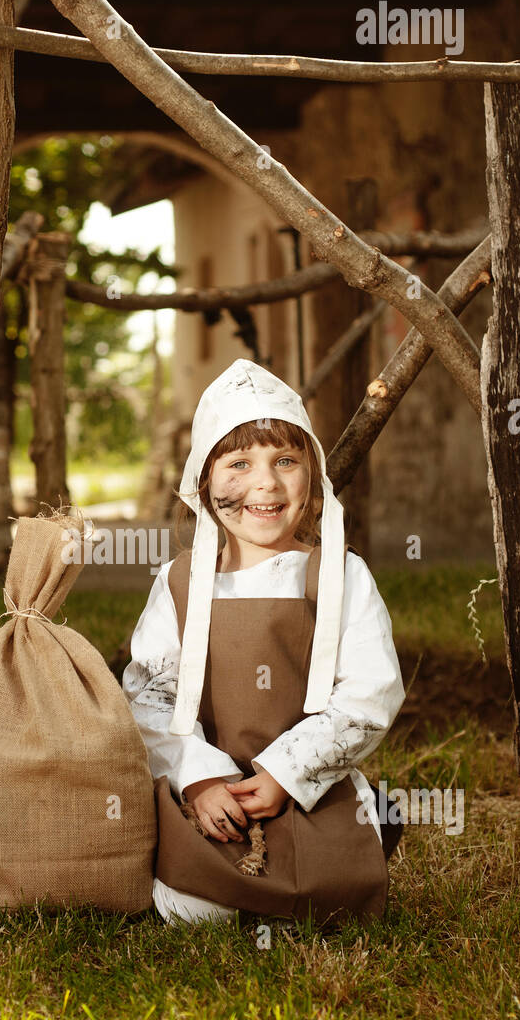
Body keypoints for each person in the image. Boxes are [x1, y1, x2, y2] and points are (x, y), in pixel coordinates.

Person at [122, 359, 406, 927]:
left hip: (306, 784)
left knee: (340, 887)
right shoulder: (177, 583)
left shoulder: (340, 576)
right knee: (191, 908)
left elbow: (370, 694)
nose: (266, 484)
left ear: (313, 474)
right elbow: (149, 696)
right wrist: (200, 776)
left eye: (285, 461)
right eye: (239, 464)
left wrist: (283, 774)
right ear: (205, 482)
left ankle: (351, 837)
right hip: (210, 794)